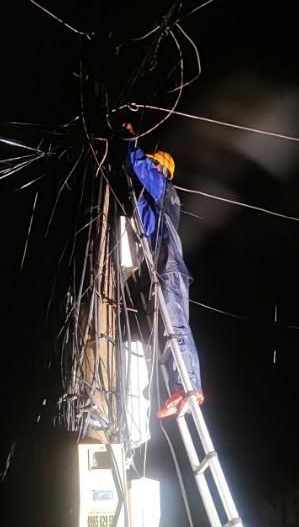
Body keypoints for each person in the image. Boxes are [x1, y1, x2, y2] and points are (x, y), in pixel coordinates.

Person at [123, 124, 204, 418]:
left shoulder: (163, 188)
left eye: (153, 163)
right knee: (165, 333)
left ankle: (190, 386)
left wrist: (131, 141)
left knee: (176, 327)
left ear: (161, 167)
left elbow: (140, 168)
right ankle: (180, 389)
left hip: (167, 268)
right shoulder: (155, 200)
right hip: (160, 269)